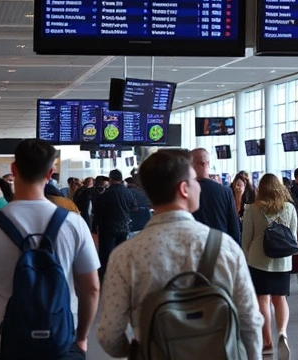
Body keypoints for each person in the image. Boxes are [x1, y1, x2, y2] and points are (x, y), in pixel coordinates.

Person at [97, 148, 264, 359]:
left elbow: (109, 335)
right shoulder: (225, 247)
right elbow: (250, 320)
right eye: (195, 181)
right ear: (184, 189)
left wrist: (143, 347)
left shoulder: (125, 255)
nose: (200, 188)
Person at [0, 139, 100, 360]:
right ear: (50, 173)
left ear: (14, 169)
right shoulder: (74, 223)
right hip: (60, 339)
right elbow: (91, 289)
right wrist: (80, 337)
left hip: (0, 342)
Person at [242, 174, 296, 359]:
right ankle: (282, 332)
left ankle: (267, 341)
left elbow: (246, 239)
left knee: (263, 300)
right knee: (280, 299)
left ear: (261, 189)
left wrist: (247, 258)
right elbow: (293, 238)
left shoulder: (252, 209)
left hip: (258, 260)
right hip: (283, 261)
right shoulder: (289, 208)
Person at [190, 148, 241, 243]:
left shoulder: (185, 192)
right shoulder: (225, 192)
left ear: (203, 164)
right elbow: (234, 228)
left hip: (194, 247)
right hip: (220, 247)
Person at [92, 169, 137, 278]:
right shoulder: (129, 192)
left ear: (111, 179)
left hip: (108, 228)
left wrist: (94, 227)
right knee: (121, 252)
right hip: (124, 228)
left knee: (106, 255)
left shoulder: (106, 193)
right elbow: (134, 208)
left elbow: (97, 211)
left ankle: (106, 277)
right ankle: (120, 275)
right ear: (121, 179)